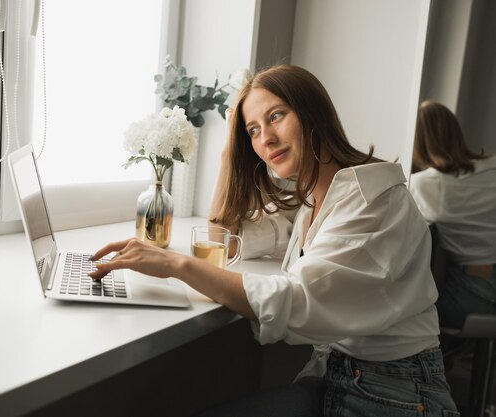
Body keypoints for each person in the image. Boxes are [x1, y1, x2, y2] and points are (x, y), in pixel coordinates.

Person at [90, 65, 458, 416]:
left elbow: (298, 300)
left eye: (276, 116)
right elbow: (226, 241)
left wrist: (177, 265)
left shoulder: (373, 200)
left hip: (396, 394)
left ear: (313, 113)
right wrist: (228, 155)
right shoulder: (317, 201)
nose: (265, 138)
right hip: (343, 378)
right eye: (252, 130)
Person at [410, 100, 496, 331]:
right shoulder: (493, 167)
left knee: (416, 317)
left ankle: (446, 361)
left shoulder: (427, 183)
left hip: (472, 291)